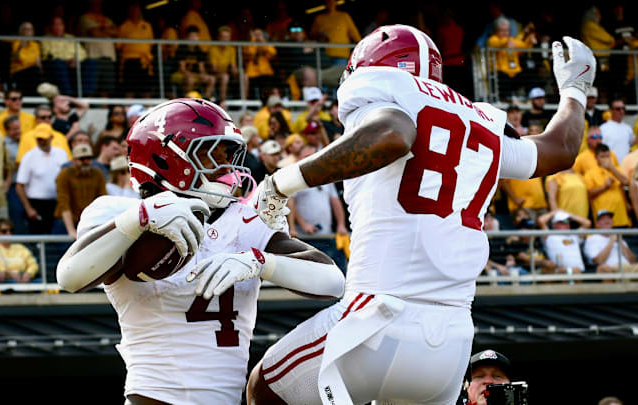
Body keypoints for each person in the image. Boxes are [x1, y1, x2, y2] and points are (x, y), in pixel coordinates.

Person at [247, 26, 596, 404]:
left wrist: (282, 183)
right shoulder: (481, 120)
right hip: (453, 341)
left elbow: (393, 134)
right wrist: (575, 90)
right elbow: (559, 148)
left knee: (263, 389)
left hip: (376, 321)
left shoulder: (385, 91)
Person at [55, 98, 345, 404]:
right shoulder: (120, 212)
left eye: (229, 154)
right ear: (167, 158)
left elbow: (333, 282)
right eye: (212, 155)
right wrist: (139, 219)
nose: (227, 168)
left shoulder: (243, 220)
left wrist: (261, 262)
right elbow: (70, 277)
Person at [16, 125, 69, 235]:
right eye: (39, 139)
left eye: (44, 138)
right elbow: (19, 185)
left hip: (58, 202)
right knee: (37, 235)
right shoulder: (29, 156)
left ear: (51, 137)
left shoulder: (62, 154)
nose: (42, 141)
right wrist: (29, 208)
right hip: (36, 203)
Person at [583, 209, 638, 277]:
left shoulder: (619, 237)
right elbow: (599, 261)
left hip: (629, 268)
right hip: (612, 269)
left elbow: (632, 261)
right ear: (597, 224)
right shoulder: (592, 239)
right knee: (619, 268)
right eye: (603, 219)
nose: (607, 220)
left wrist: (620, 243)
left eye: (609, 218)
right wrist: (611, 242)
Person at [54, 143, 106, 239]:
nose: (86, 161)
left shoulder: (97, 173)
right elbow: (64, 204)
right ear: (73, 160)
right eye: (82, 159)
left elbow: (102, 199)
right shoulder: (64, 175)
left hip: (90, 222)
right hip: (67, 222)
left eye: (88, 158)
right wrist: (71, 230)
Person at [487, 18, 536, 102]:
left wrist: (529, 39)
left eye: (507, 30)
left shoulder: (512, 40)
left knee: (529, 75)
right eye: (502, 31)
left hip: (514, 73)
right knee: (503, 78)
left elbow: (523, 46)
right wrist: (507, 41)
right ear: (496, 31)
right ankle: (506, 99)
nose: (505, 33)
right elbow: (497, 44)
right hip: (500, 74)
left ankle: (530, 97)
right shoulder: (492, 39)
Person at [76, 0, 118, 97]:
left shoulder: (107, 19)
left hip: (108, 57)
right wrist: (107, 31)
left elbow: (116, 32)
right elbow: (95, 33)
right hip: (93, 56)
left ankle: (104, 107)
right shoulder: (85, 18)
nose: (97, 6)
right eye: (95, 3)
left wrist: (101, 30)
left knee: (107, 87)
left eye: (99, 4)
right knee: (90, 87)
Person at [40, 16, 89, 97]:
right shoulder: (45, 39)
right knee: (58, 63)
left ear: (63, 26)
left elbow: (82, 53)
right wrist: (65, 60)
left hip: (73, 65)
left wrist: (76, 59)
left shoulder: (71, 38)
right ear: (51, 27)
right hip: (56, 66)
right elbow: (48, 54)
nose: (58, 27)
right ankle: (67, 94)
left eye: (60, 24)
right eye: (55, 25)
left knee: (90, 62)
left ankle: (87, 94)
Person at [583, 143, 631, 227]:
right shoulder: (590, 174)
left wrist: (612, 168)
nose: (606, 159)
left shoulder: (616, 170)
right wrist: (605, 186)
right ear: (596, 158)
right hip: (603, 219)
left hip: (621, 217)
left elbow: (626, 182)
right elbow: (589, 194)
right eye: (602, 156)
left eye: (608, 156)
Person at [537, 210, 590, 278]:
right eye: (563, 222)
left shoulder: (574, 235)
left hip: (579, 271)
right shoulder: (549, 236)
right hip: (559, 272)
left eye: (568, 221)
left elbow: (587, 223)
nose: (567, 224)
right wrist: (554, 212)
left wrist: (570, 215)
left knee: (575, 271)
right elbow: (540, 221)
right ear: (555, 224)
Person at [117, 3, 154, 98]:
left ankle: (148, 110)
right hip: (129, 61)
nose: (135, 11)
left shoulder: (147, 25)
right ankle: (128, 110)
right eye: (132, 9)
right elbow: (119, 46)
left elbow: (151, 44)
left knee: (146, 89)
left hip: (144, 61)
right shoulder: (124, 27)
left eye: (137, 9)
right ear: (129, 11)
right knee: (130, 89)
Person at [0, 218, 39, 283]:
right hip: (6, 281)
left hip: (26, 279)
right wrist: (10, 273)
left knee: (42, 282)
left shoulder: (20, 247)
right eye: (4, 231)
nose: (8, 233)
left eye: (11, 230)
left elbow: (33, 264)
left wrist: (29, 273)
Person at [9, 22, 44, 96]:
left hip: (33, 71)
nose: (28, 32)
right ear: (21, 32)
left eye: (30, 29)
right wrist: (32, 62)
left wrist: (34, 64)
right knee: (34, 72)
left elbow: (38, 62)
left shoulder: (36, 45)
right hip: (19, 72)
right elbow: (19, 59)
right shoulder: (16, 43)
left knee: (36, 72)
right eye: (26, 29)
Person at [600, 97, 635, 163]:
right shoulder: (603, 128)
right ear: (611, 110)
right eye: (618, 109)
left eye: (623, 108)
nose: (621, 111)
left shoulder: (628, 128)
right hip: (610, 167)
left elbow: (632, 145)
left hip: (626, 167)